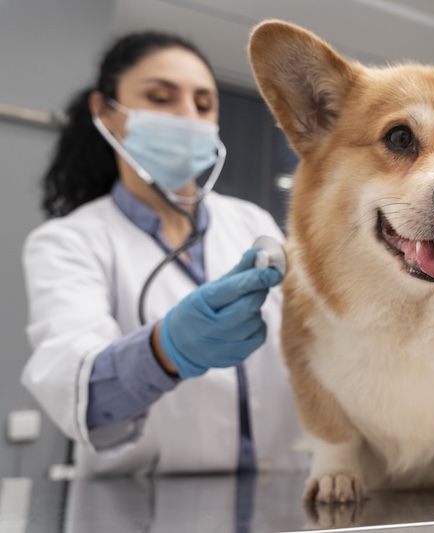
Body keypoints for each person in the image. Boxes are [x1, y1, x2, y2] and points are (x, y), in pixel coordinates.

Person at [21, 31, 308, 476]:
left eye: (203, 104)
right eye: (160, 98)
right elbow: (78, 393)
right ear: (105, 112)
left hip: (279, 490)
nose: (188, 117)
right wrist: (165, 349)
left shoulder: (251, 222)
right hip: (141, 501)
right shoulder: (69, 242)